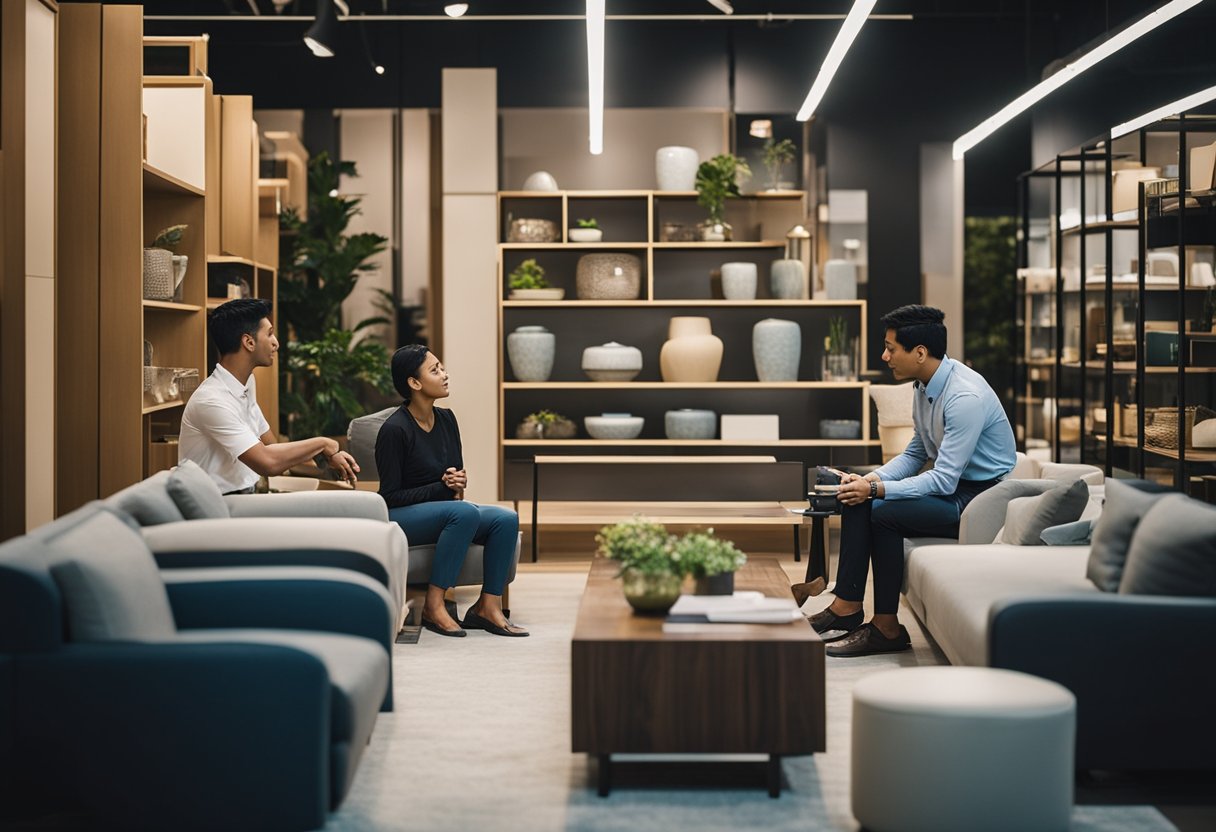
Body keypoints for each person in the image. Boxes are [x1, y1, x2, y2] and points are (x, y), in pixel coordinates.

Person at [806, 304, 1016, 657]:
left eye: (891, 347)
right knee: (859, 496)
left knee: (881, 511)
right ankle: (847, 607)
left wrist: (875, 488)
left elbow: (945, 481)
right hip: (956, 489)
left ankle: (886, 628)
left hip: (980, 500)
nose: (884, 354)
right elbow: (916, 454)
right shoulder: (925, 385)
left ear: (920, 353)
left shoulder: (964, 396)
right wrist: (870, 479)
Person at [377, 344, 526, 638]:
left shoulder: (447, 419)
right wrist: (441, 487)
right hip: (401, 516)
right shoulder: (395, 430)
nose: (445, 375)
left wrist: (457, 483)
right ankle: (435, 604)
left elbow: (453, 484)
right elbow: (389, 497)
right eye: (435, 370)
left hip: (447, 512)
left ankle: (488, 606)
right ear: (414, 383)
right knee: (464, 513)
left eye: (442, 367)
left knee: (506, 519)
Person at [179, 298, 359, 494]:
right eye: (270, 334)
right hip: (219, 503)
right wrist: (322, 443)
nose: (276, 343)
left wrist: (327, 460)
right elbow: (268, 463)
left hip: (250, 493)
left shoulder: (245, 383)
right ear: (249, 342)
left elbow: (272, 447)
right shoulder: (211, 401)